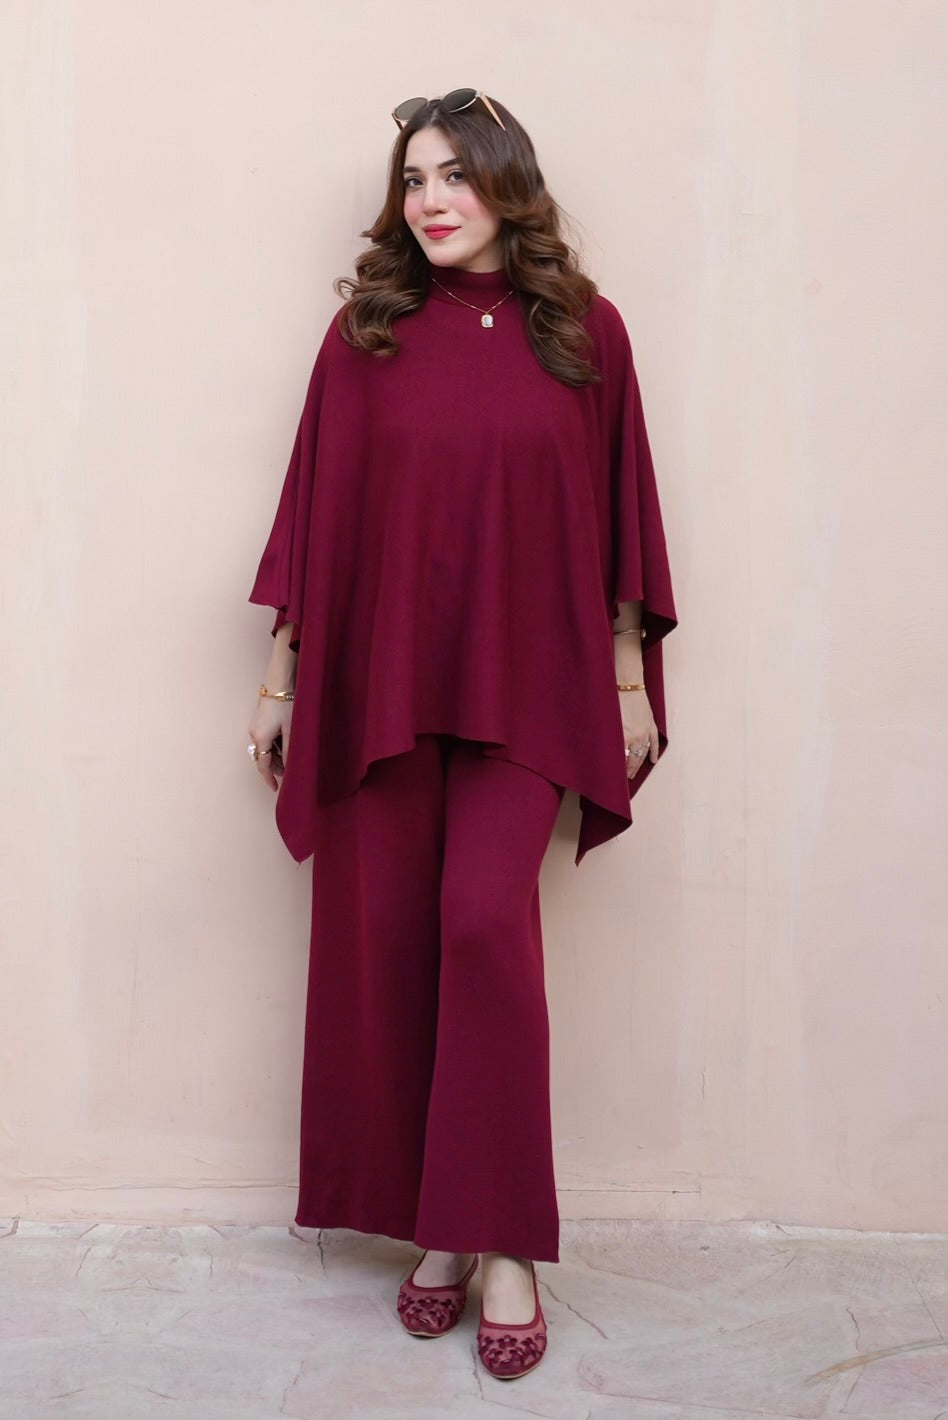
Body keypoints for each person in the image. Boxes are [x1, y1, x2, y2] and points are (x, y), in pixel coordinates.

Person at [246, 89, 677, 1381]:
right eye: (414, 178)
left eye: (455, 175)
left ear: (506, 185)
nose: (431, 199)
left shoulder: (584, 331)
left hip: (532, 686)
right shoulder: (365, 335)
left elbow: (619, 511)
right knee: (388, 943)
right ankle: (441, 1232)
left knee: (484, 927)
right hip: (381, 684)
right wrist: (282, 683)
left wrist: (627, 681)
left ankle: (507, 1247)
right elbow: (317, 516)